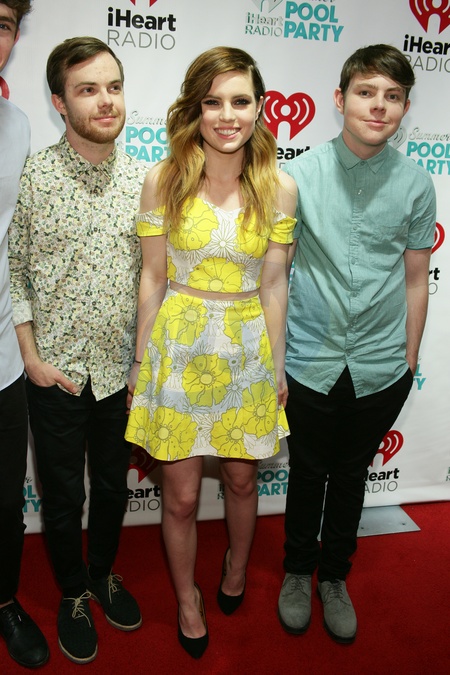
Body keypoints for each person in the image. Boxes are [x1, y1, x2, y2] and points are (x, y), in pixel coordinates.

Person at [125, 46, 297, 658]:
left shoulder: (279, 188)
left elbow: (274, 283)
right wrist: (140, 364)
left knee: (243, 481)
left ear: (259, 106)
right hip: (178, 345)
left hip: (247, 347)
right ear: (195, 108)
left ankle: (235, 568)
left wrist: (276, 368)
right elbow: (152, 276)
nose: (228, 116)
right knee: (181, 495)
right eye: (213, 102)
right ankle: (187, 601)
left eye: (240, 101)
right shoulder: (163, 178)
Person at [278, 44, 436, 644]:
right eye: (367, 92)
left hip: (381, 364)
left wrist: (409, 357)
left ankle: (334, 577)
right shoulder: (298, 176)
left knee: (351, 475)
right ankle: (298, 571)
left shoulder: (417, 184)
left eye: (392, 96)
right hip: (308, 359)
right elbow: (277, 274)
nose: (379, 106)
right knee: (307, 471)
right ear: (340, 99)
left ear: (404, 108)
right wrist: (274, 357)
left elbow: (416, 278)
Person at [8, 36, 148, 664]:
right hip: (55, 374)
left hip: (122, 374)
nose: (105, 101)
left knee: (113, 487)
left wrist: (143, 364)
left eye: (113, 87)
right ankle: (71, 592)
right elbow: (14, 270)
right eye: (88, 90)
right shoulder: (33, 176)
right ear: (60, 103)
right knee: (63, 496)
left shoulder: (147, 181)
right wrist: (31, 357)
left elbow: (155, 278)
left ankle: (103, 573)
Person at [0, 1, 50, 669]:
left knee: (4, 499)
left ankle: (4, 597)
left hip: (3, 359)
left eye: (4, 23)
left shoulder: (17, 125)